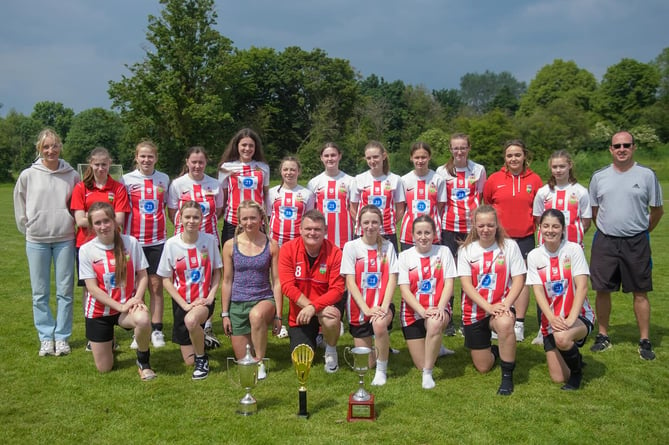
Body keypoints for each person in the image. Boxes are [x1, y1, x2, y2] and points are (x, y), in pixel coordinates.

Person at [588, 131, 664, 360]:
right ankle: (603, 336)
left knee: (640, 291)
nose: (622, 149)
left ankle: (644, 339)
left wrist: (641, 231)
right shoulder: (599, 176)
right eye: (617, 145)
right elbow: (594, 211)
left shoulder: (647, 175)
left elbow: (657, 210)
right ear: (611, 149)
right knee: (602, 289)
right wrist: (610, 229)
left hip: (636, 241)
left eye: (626, 145)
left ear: (634, 147)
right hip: (606, 241)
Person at [14, 128, 80, 357]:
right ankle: (45, 337)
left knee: (65, 292)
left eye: (54, 146)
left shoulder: (71, 174)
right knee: (39, 293)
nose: (50, 150)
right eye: (46, 147)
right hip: (37, 241)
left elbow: (78, 202)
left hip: (65, 239)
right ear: (39, 149)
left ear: (60, 147)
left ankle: (62, 337)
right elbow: (19, 202)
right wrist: (28, 225)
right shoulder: (28, 175)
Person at [78, 202, 156, 380]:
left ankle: (143, 362)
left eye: (106, 220)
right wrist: (119, 306)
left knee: (143, 319)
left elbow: (142, 275)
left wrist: (137, 299)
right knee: (105, 368)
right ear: (91, 226)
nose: (103, 226)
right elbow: (92, 288)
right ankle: (108, 341)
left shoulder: (131, 242)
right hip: (99, 313)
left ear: (114, 221)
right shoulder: (86, 250)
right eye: (97, 223)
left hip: (127, 307)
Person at [457, 205, 526, 395]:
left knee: (505, 324)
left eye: (490, 225)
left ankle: (507, 376)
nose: (486, 230)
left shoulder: (509, 246)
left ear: (497, 226)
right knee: (483, 367)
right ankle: (496, 350)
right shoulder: (466, 250)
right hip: (475, 311)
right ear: (474, 226)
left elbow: (519, 278)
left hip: (501, 307)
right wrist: (488, 307)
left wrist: (505, 304)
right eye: (481, 226)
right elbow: (466, 285)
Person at [527, 209, 595, 390]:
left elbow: (582, 287)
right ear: (539, 228)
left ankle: (577, 374)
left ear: (563, 229)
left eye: (555, 226)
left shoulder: (573, 250)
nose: (550, 230)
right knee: (558, 378)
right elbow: (538, 291)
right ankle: (576, 358)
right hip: (551, 320)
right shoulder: (534, 255)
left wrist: (571, 319)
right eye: (546, 226)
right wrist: (551, 318)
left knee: (563, 338)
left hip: (578, 315)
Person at [71, 147, 130, 351]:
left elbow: (120, 220)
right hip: (85, 246)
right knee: (89, 289)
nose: (100, 168)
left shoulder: (118, 188)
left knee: (112, 286)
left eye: (104, 164)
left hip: (112, 245)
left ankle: (110, 333)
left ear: (110, 164)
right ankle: (93, 336)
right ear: (90, 164)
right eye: (96, 164)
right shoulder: (81, 188)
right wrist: (104, 220)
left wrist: (93, 218)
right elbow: (79, 220)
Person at [482, 139, 542, 342]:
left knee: (521, 280)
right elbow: (488, 203)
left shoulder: (534, 180)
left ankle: (519, 323)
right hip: (500, 238)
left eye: (517, 154)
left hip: (524, 237)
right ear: (504, 158)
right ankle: (498, 317)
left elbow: (539, 209)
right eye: (510, 155)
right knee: (499, 277)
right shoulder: (494, 179)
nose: (514, 158)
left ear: (524, 156)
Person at [530, 150, 591, 344]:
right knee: (546, 287)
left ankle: (574, 321)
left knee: (572, 287)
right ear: (551, 168)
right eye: (555, 167)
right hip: (547, 249)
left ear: (569, 166)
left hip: (570, 250)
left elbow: (586, 221)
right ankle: (544, 328)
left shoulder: (580, 191)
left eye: (562, 166)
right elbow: (539, 219)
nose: (558, 170)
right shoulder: (543, 192)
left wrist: (572, 240)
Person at [157, 201, 222, 380]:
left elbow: (217, 272)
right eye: (187, 217)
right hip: (182, 303)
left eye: (195, 217)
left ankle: (202, 360)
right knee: (188, 362)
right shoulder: (171, 244)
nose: (191, 221)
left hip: (203, 302)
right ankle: (203, 341)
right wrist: (184, 305)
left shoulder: (209, 241)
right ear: (180, 218)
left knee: (192, 320)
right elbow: (165, 280)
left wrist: (210, 296)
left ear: (201, 219)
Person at [168, 146, 223, 349]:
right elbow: (172, 211)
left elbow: (218, 211)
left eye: (201, 162)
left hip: (208, 241)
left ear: (206, 163)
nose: (197, 165)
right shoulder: (177, 184)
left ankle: (206, 325)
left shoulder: (215, 184)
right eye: (194, 162)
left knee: (208, 281)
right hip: (183, 243)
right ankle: (183, 321)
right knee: (184, 280)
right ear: (187, 162)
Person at [221, 200, 282, 380]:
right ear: (239, 221)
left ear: (261, 219)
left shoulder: (271, 245)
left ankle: (261, 361)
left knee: (256, 315)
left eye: (253, 218)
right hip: (238, 303)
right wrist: (225, 314)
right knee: (244, 363)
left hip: (263, 299)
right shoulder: (230, 245)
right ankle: (253, 355)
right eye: (245, 219)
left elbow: (276, 281)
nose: (249, 222)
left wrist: (278, 315)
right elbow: (226, 280)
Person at [278, 209, 346, 373]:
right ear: (300, 229)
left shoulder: (336, 253)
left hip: (324, 309)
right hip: (301, 314)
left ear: (325, 231)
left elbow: (337, 290)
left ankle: (330, 350)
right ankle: (316, 336)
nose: (312, 233)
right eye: (308, 229)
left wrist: (313, 308)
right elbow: (287, 286)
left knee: (331, 319)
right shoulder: (287, 249)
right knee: (301, 360)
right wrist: (310, 307)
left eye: (317, 229)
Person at [341, 205, 399, 386]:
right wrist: (366, 309)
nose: (370, 226)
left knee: (379, 324)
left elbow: (392, 279)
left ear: (381, 224)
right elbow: (350, 282)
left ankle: (382, 371)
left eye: (374, 222)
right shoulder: (351, 247)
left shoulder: (388, 246)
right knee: (366, 364)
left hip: (381, 306)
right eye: (366, 222)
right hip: (360, 309)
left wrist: (383, 307)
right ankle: (382, 347)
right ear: (359, 225)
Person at [436, 133, 487, 336]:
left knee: (472, 273)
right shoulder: (442, 171)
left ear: (468, 148)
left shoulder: (478, 169)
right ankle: (447, 318)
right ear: (450, 149)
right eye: (455, 148)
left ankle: (470, 318)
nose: (459, 151)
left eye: (462, 147)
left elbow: (480, 198)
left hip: (471, 229)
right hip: (449, 227)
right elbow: (440, 201)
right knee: (448, 273)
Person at [121, 141, 170, 348]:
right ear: (136, 158)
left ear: (156, 158)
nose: (146, 160)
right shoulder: (126, 180)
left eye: (150, 156)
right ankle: (138, 330)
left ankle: (157, 329)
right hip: (134, 242)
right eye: (143, 156)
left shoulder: (164, 179)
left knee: (156, 286)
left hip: (157, 240)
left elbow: (166, 206)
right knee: (134, 287)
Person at [398, 215, 457, 389]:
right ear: (412, 235)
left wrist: (439, 308)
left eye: (427, 232)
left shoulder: (444, 252)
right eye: (419, 233)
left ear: (434, 234)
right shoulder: (404, 256)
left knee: (434, 323)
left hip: (438, 308)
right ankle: (436, 346)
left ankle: (428, 373)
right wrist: (421, 311)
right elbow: (404, 290)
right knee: (420, 362)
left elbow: (449, 284)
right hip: (412, 312)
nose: (423, 237)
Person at [217, 128, 270, 246]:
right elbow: (222, 195)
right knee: (231, 259)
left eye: (251, 145)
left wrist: (268, 216)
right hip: (233, 221)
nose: (247, 149)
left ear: (255, 147)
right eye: (244, 145)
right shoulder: (226, 167)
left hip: (256, 221)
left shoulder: (263, 167)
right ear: (237, 146)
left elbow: (266, 194)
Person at [350, 141, 406, 248]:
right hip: (363, 232)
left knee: (387, 264)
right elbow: (353, 209)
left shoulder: (395, 179)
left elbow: (400, 210)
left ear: (384, 156)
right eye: (369, 158)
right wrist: (365, 224)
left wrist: (387, 224)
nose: (372, 161)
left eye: (375, 157)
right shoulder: (359, 179)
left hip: (387, 232)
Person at [399, 142, 447, 252]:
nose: (420, 161)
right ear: (411, 158)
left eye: (423, 157)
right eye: (417, 157)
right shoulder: (404, 180)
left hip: (432, 233)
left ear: (429, 157)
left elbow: (439, 206)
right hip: (408, 234)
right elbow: (402, 207)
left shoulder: (438, 179)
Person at [307, 142, 355, 250]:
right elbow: (310, 212)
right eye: (326, 156)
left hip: (345, 236)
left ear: (339, 156)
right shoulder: (314, 183)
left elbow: (353, 209)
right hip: (320, 235)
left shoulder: (350, 181)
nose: (330, 158)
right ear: (321, 158)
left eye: (333, 155)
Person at [268, 156, 315, 246]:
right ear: (281, 171)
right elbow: (269, 216)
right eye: (285, 169)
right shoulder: (272, 192)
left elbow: (308, 218)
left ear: (299, 172)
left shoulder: (307, 194)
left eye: (292, 170)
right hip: (275, 241)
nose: (289, 173)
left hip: (298, 240)